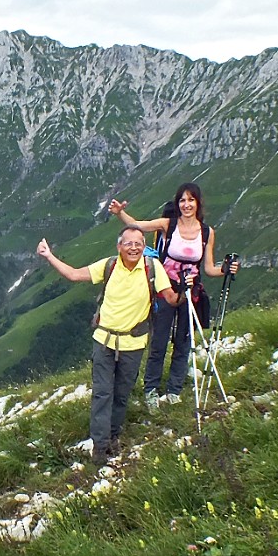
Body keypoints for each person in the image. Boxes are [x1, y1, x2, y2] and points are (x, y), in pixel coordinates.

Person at [37, 226, 177, 466]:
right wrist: (48, 255)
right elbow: (73, 275)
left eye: (138, 243)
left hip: (133, 344)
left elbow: (170, 297)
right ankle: (101, 448)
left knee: (121, 394)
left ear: (144, 246)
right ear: (119, 246)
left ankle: (113, 436)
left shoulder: (153, 268)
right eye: (128, 243)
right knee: (103, 393)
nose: (133, 247)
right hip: (104, 341)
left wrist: (184, 289)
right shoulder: (109, 266)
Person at [109, 182, 238, 409]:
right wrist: (121, 214)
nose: (186, 205)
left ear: (198, 203)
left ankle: (174, 390)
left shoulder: (207, 232)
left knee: (183, 341)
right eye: (182, 200)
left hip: (191, 290)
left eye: (190, 200)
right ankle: (151, 390)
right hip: (165, 288)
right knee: (159, 340)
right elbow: (139, 226)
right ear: (178, 204)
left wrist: (225, 269)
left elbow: (208, 267)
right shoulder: (168, 225)